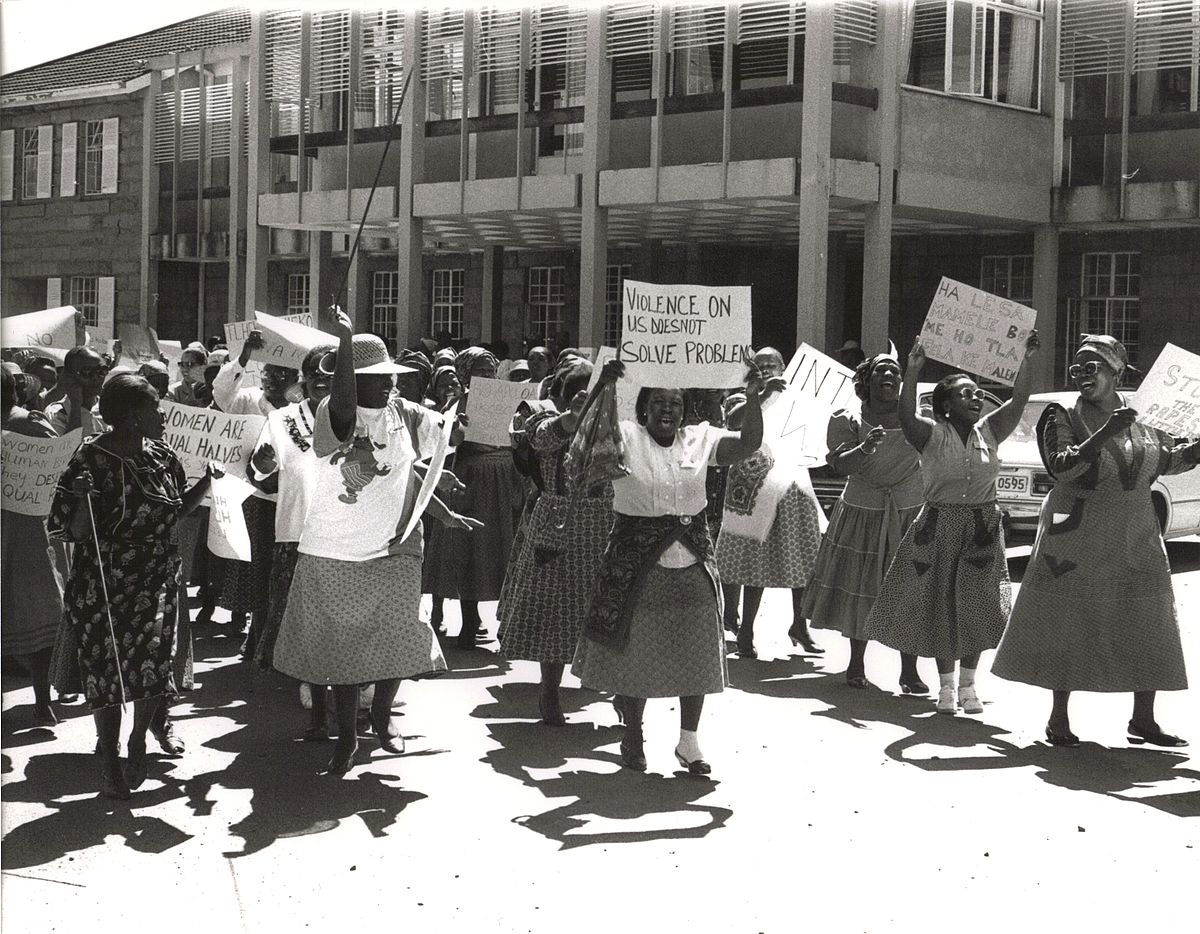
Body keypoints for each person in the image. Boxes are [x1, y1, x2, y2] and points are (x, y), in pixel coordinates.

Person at [272, 315, 475, 775]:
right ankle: (347, 738)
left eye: (388, 378)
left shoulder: (402, 413)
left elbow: (423, 459)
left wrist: (443, 503)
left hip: (395, 546)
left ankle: (382, 716)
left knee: (400, 636)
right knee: (347, 655)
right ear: (349, 381)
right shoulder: (332, 414)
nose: (386, 386)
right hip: (337, 551)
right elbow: (344, 397)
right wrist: (344, 340)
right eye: (374, 379)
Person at [993, 335, 1197, 747]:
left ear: (1116, 371)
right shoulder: (1063, 414)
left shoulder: (1144, 414)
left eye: (1093, 367)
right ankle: (1058, 719)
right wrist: (1104, 433)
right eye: (1077, 368)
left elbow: (1167, 460)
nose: (1083, 375)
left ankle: (1143, 720)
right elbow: (1062, 468)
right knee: (1071, 621)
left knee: (1147, 622)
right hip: (1080, 531)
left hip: (1137, 530)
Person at [573, 359, 766, 776]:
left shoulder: (700, 438)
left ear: (685, 410)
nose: (667, 410)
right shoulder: (625, 435)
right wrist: (603, 387)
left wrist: (752, 395)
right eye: (658, 402)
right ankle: (633, 733)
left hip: (692, 557)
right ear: (643, 408)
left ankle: (689, 742)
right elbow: (583, 439)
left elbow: (748, 444)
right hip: (637, 560)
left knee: (698, 650)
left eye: (675, 404)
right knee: (635, 651)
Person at [48, 374, 211, 799]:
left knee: (154, 663)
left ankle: (139, 737)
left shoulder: (163, 457)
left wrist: (209, 483)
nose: (162, 414)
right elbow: (77, 532)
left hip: (155, 578)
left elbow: (177, 512)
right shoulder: (90, 459)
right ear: (134, 416)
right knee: (106, 672)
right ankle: (108, 756)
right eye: (155, 407)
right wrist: (83, 498)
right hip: (102, 581)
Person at [863, 331, 1040, 715]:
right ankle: (945, 687)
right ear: (944, 405)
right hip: (938, 526)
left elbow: (1020, 399)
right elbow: (905, 415)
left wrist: (1026, 359)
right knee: (942, 603)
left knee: (975, 604)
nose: (975, 398)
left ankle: (969, 687)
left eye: (977, 393)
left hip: (980, 527)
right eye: (965, 393)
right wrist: (913, 370)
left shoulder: (991, 431)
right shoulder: (929, 433)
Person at [803, 353, 928, 692]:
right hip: (862, 514)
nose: (889, 374)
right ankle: (856, 663)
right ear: (866, 382)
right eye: (881, 370)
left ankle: (909, 671)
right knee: (860, 588)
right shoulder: (848, 419)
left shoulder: (917, 420)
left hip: (907, 514)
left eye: (896, 371)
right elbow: (840, 465)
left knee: (908, 590)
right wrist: (865, 450)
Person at [498, 357, 611, 725]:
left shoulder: (614, 428)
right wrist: (575, 414)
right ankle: (550, 690)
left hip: (603, 525)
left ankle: (613, 689)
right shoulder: (542, 421)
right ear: (560, 398)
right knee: (555, 612)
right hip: (557, 523)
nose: (583, 400)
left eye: (590, 393)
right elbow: (545, 436)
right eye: (575, 394)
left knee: (605, 613)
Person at [246, 343, 336, 739]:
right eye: (316, 374)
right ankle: (309, 679)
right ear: (303, 379)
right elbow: (258, 475)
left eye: (333, 375)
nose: (323, 381)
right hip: (297, 531)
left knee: (341, 611)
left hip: (348, 532)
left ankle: (354, 682)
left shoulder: (358, 418)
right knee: (303, 613)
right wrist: (262, 466)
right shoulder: (282, 420)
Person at [717, 347, 825, 660]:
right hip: (756, 491)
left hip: (792, 487)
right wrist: (761, 395)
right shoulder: (746, 394)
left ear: (783, 366)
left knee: (804, 557)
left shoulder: (798, 398)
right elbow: (734, 423)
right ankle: (746, 629)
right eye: (760, 365)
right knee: (755, 561)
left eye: (771, 365)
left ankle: (799, 625)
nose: (765, 369)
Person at [424, 346, 525, 649]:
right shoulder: (456, 404)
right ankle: (470, 622)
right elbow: (441, 444)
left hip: (506, 479)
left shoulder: (511, 401)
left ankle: (506, 623)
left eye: (490, 370)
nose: (486, 376)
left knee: (505, 551)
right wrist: (455, 428)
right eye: (479, 371)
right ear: (466, 374)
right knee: (470, 550)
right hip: (471, 482)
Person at [213, 331, 300, 638]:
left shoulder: (300, 409)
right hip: (253, 496)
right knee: (254, 563)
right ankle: (249, 625)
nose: (274, 378)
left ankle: (268, 632)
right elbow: (221, 394)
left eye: (283, 373)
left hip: (289, 499)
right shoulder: (248, 399)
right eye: (269, 372)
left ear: (295, 379)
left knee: (281, 567)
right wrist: (245, 355)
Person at [1, 367, 67, 726]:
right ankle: (42, 702)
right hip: (29, 536)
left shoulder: (29, 423)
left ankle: (43, 701)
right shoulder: (32, 423)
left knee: (39, 618)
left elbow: (55, 468)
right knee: (40, 618)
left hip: (26, 534)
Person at [44, 345, 108, 436]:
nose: (96, 377)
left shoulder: (108, 409)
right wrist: (75, 407)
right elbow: (69, 448)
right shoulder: (55, 414)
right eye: (87, 371)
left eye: (102, 370)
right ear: (70, 376)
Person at [167, 342, 209, 406]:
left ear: (202, 366)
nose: (184, 369)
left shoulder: (213, 390)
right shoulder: (173, 391)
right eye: (181, 364)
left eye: (189, 364)